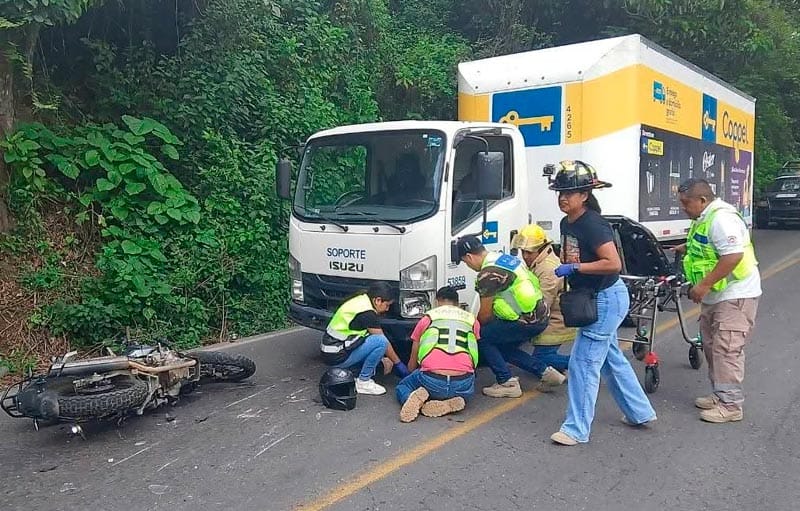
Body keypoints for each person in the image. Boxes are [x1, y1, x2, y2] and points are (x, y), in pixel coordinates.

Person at [547, 160, 656, 446]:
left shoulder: (593, 223)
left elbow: (613, 263)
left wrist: (577, 269)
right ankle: (640, 412)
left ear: (585, 195)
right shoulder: (566, 222)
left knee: (582, 363)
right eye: (559, 192)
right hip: (594, 297)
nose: (563, 197)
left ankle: (575, 429)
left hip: (605, 299)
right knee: (610, 359)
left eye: (569, 192)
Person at [675, 178, 761, 423]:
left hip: (735, 295)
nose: (683, 208)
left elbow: (733, 255)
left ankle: (731, 406)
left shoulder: (722, 219)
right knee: (712, 346)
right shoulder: (704, 218)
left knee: (727, 348)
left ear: (702, 200)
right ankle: (720, 395)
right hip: (718, 295)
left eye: (685, 203)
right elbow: (707, 246)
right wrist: (684, 247)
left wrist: (703, 285)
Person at [456, 236, 564, 398]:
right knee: (500, 343)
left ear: (469, 257)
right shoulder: (504, 258)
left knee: (482, 337)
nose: (469, 266)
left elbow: (484, 316)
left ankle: (506, 382)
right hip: (540, 313)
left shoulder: (488, 274)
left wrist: (469, 329)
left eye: (465, 262)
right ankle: (546, 373)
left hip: (527, 320)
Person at [395, 286, 480, 422]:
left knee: (403, 386)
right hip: (462, 382)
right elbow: (473, 347)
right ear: (457, 303)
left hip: (431, 380)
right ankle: (450, 402)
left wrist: (410, 370)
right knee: (467, 394)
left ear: (437, 301)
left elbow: (415, 347)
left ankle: (416, 401)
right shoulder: (472, 320)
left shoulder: (428, 318)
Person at [511, 224, 575, 387]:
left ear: (541, 249)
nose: (525, 256)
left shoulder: (547, 269)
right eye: (522, 252)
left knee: (541, 359)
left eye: (528, 252)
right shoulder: (541, 262)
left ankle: (583, 364)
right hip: (552, 317)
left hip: (555, 320)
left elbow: (542, 303)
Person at [321, 281, 409, 395]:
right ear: (377, 300)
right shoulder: (367, 313)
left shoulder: (361, 300)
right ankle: (363, 381)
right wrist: (399, 364)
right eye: (387, 305)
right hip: (337, 357)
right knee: (380, 341)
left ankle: (360, 372)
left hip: (332, 351)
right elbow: (383, 342)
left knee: (379, 350)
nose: (387, 309)